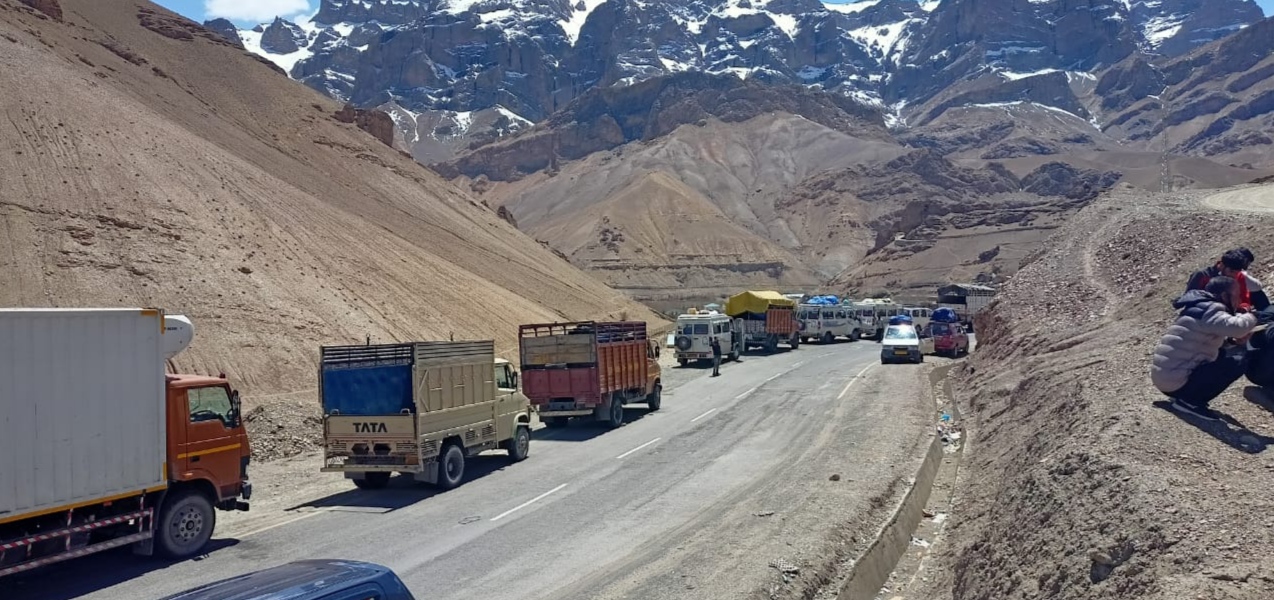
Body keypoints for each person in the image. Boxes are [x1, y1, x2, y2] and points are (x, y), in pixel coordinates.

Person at [1152, 276, 1257, 421]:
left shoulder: (1198, 307)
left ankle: (1187, 397)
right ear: (1225, 296)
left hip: (1166, 378)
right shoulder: (1211, 309)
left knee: (1221, 354)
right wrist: (1250, 315)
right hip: (1175, 382)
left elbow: (1206, 341)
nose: (1238, 300)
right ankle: (1190, 402)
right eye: (1236, 295)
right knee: (1239, 362)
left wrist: (1233, 341)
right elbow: (1238, 327)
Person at [1186, 248, 1269, 312]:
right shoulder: (1202, 275)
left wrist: (1244, 308)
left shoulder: (1238, 276)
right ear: (1221, 265)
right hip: (1206, 312)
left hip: (1231, 311)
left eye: (1236, 272)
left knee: (1259, 296)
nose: (1233, 275)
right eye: (1231, 271)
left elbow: (1244, 298)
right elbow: (1190, 299)